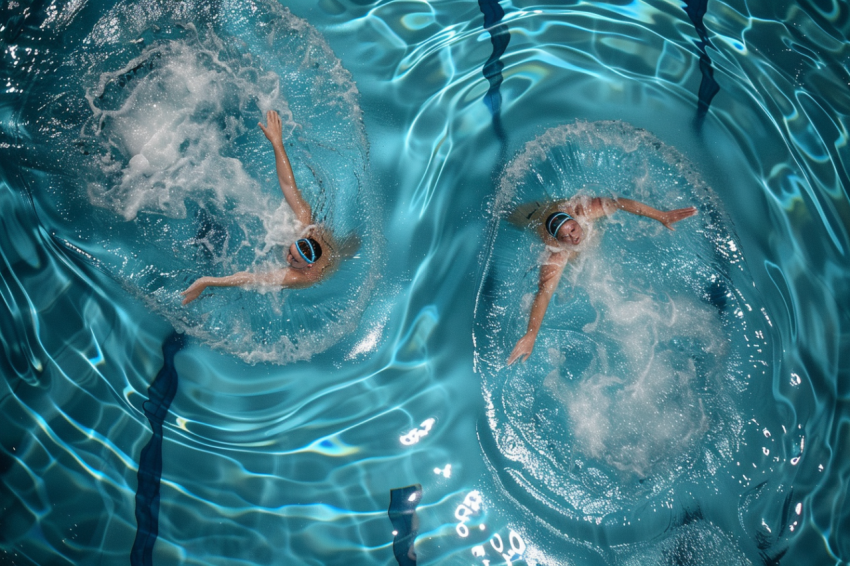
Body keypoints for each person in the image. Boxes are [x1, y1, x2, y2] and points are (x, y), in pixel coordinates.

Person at [506, 194, 697, 365]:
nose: (574, 237)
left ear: (574, 219)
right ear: (558, 241)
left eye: (573, 228)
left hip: (551, 207)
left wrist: (661, 216)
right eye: (566, 236)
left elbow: (619, 202)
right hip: (530, 215)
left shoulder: (584, 210)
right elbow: (544, 293)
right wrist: (531, 334)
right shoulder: (556, 255)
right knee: (509, 215)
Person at [181, 110, 346, 305]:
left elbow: (251, 278)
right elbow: (287, 185)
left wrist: (207, 281)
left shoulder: (299, 277)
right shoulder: (305, 220)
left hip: (330, 262)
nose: (287, 257)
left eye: (294, 260)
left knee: (344, 252)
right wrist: (277, 143)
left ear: (308, 266)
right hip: (324, 242)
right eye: (291, 252)